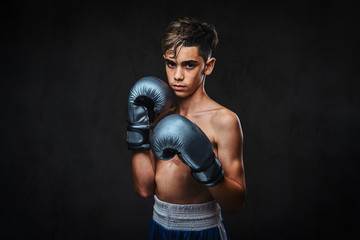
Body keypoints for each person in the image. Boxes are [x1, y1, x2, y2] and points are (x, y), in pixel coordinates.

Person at [126, 17, 246, 240]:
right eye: (171, 64)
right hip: (159, 227)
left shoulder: (224, 121)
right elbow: (143, 189)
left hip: (203, 231)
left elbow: (235, 204)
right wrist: (138, 126)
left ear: (208, 66)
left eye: (189, 65)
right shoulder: (158, 115)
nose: (177, 75)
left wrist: (207, 166)